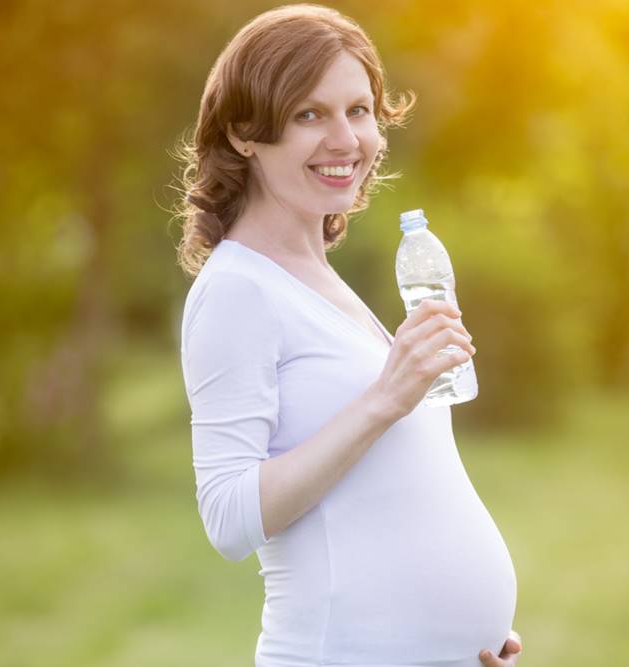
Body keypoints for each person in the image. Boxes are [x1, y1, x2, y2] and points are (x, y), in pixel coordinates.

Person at [174, 5, 523, 666]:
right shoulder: (237, 291)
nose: (347, 139)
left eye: (359, 110)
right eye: (310, 114)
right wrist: (384, 398)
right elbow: (228, 518)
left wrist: (461, 634)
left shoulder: (316, 278)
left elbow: (391, 494)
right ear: (247, 131)